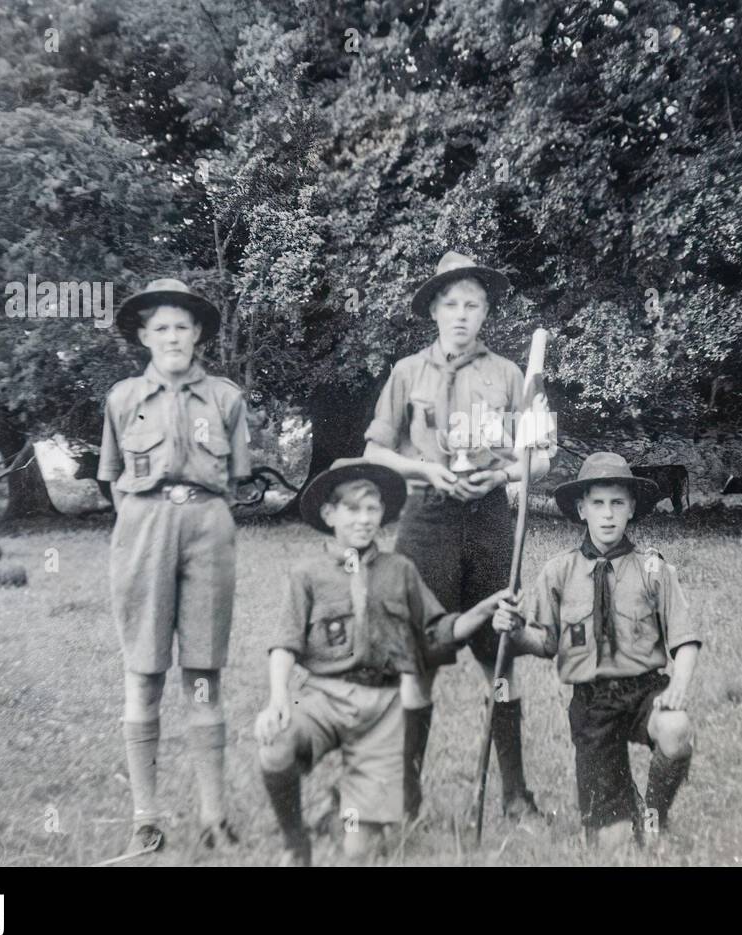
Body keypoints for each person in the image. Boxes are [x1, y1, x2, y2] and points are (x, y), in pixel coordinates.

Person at [362, 251, 550, 823]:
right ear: (434, 312)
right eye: (451, 304)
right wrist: (425, 471)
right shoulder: (406, 373)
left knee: (499, 651)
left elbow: (541, 457)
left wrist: (503, 473)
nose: (461, 315)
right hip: (427, 519)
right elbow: (374, 452)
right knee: (419, 654)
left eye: (472, 303)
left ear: (486, 310)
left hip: (491, 519)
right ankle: (408, 797)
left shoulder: (511, 376)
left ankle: (515, 794)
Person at [255, 459, 511, 864]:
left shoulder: (401, 571)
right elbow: (285, 643)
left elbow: (436, 629)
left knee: (359, 850)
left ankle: (346, 812)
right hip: (321, 697)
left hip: (381, 710)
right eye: (352, 509)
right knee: (276, 745)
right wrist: (277, 699)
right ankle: (295, 840)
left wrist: (480, 613)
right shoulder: (306, 574)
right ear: (329, 514)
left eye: (372, 509)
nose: (363, 519)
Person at [98, 277, 251, 855]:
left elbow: (233, 481)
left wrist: (195, 515)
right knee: (144, 672)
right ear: (143, 335)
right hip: (143, 530)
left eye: (182, 327)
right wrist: (149, 519)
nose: (172, 337)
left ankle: (214, 815)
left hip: (208, 529)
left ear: (198, 335)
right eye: (160, 327)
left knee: (205, 675)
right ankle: (146, 817)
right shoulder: (122, 399)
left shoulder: (226, 399)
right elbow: (113, 481)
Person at [495, 452, 699, 847]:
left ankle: (654, 817)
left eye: (617, 503)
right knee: (613, 843)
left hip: (644, 691)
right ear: (581, 509)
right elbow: (544, 643)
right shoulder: (558, 572)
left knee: (675, 728)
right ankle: (625, 808)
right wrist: (515, 631)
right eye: (598, 504)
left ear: (632, 508)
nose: (608, 515)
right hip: (590, 706)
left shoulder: (652, 568)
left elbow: (685, 639)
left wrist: (679, 687)